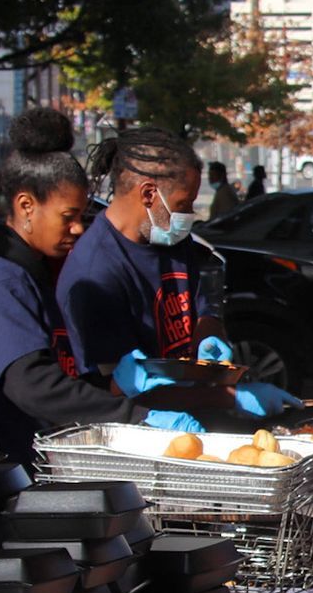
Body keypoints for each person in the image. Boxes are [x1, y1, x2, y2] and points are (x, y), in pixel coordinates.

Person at [0, 111, 204, 466]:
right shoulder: (3, 282)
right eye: (69, 217)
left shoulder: (33, 272)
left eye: (82, 216)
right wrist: (136, 416)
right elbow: (33, 385)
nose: (78, 229)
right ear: (26, 206)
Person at [58, 126, 296, 419]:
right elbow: (120, 386)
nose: (190, 214)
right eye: (184, 204)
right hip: (145, 427)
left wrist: (208, 331)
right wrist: (230, 398)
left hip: (196, 406)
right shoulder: (95, 272)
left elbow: (202, 302)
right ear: (148, 194)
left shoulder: (171, 240)